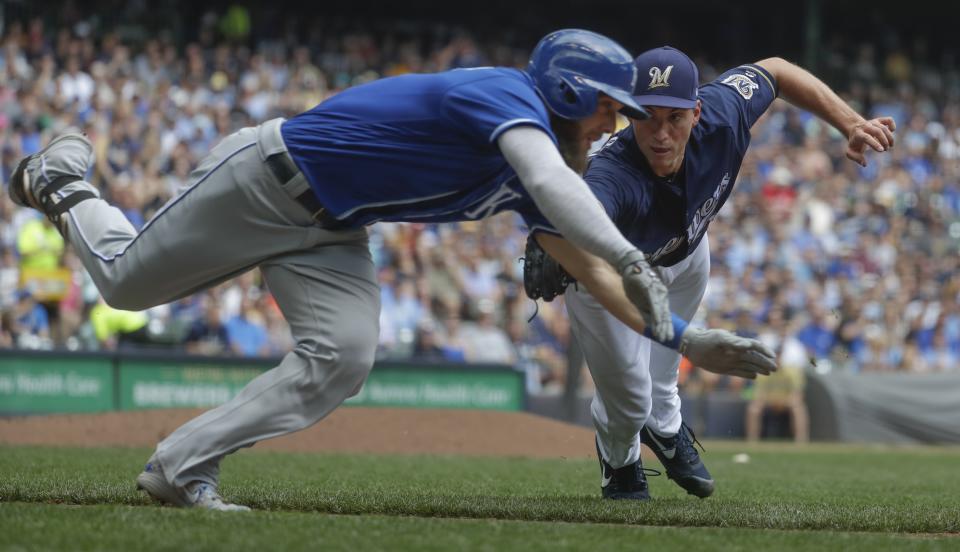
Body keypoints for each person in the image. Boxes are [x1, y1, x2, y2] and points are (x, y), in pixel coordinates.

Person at [7, 30, 774, 512]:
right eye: (608, 108)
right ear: (570, 93)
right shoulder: (506, 99)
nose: (616, 126)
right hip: (266, 179)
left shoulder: (550, 154)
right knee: (123, 286)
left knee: (344, 355)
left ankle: (179, 469)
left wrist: (683, 334)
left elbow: (587, 265)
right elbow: (552, 188)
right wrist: (633, 256)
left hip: (332, 227)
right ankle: (65, 180)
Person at [528, 46, 895, 499]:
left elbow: (777, 71)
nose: (661, 133)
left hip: (687, 253)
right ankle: (620, 463)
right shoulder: (613, 174)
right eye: (648, 117)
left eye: (675, 118)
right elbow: (576, 212)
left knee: (662, 382)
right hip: (610, 277)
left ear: (697, 112)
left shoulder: (723, 111)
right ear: (627, 113)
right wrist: (554, 234)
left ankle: (664, 428)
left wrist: (851, 122)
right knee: (630, 398)